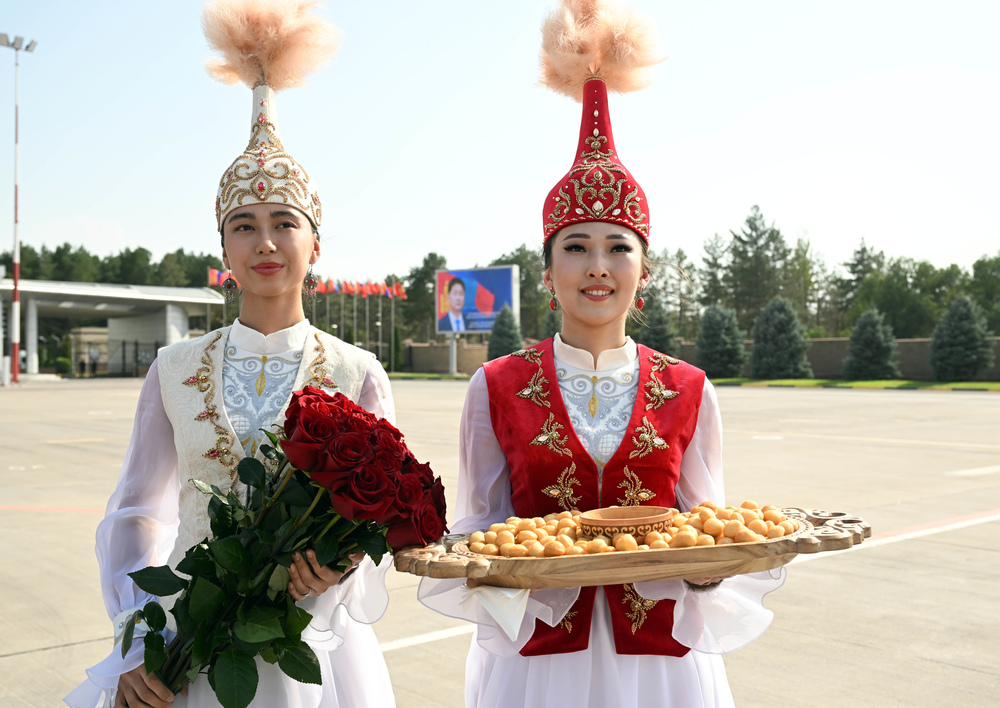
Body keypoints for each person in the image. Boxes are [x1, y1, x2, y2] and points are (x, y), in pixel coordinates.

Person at [418, 3, 784, 706]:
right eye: (576, 247)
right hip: (539, 660)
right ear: (547, 270)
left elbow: (705, 521)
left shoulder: (689, 388)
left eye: (619, 247)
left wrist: (712, 569)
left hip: (661, 662)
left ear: (644, 272)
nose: (597, 266)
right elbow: (476, 527)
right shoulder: (496, 385)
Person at [66, 3, 395, 707]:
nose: (265, 242)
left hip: (311, 643)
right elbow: (135, 514)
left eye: (284, 223)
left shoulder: (357, 372)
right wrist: (138, 640)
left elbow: (379, 523)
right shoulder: (174, 369)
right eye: (244, 226)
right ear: (223, 250)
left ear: (315, 244)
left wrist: (338, 573)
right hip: (186, 637)